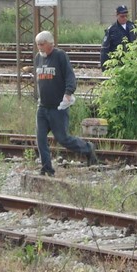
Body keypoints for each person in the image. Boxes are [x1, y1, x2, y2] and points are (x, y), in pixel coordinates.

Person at [34, 31, 98, 176]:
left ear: (50, 44)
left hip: (58, 107)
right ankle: (47, 168)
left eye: (42, 44)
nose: (40, 47)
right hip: (42, 107)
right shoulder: (38, 57)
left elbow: (70, 76)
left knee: (62, 139)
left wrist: (68, 93)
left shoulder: (60, 56)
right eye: (38, 44)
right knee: (40, 139)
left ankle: (88, 148)